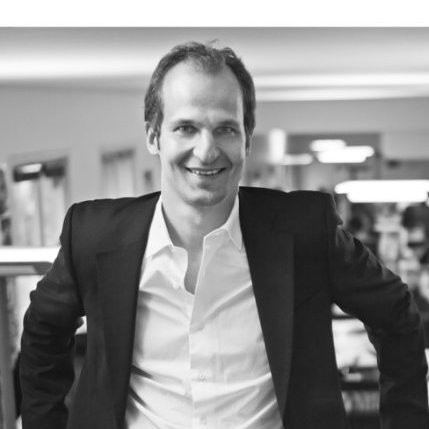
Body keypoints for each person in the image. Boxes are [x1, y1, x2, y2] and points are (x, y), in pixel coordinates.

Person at [20, 41, 429, 429]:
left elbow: (396, 314)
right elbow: (42, 333)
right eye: (186, 128)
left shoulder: (304, 230)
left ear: (247, 138)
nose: (207, 150)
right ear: (153, 135)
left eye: (226, 129)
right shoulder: (93, 235)